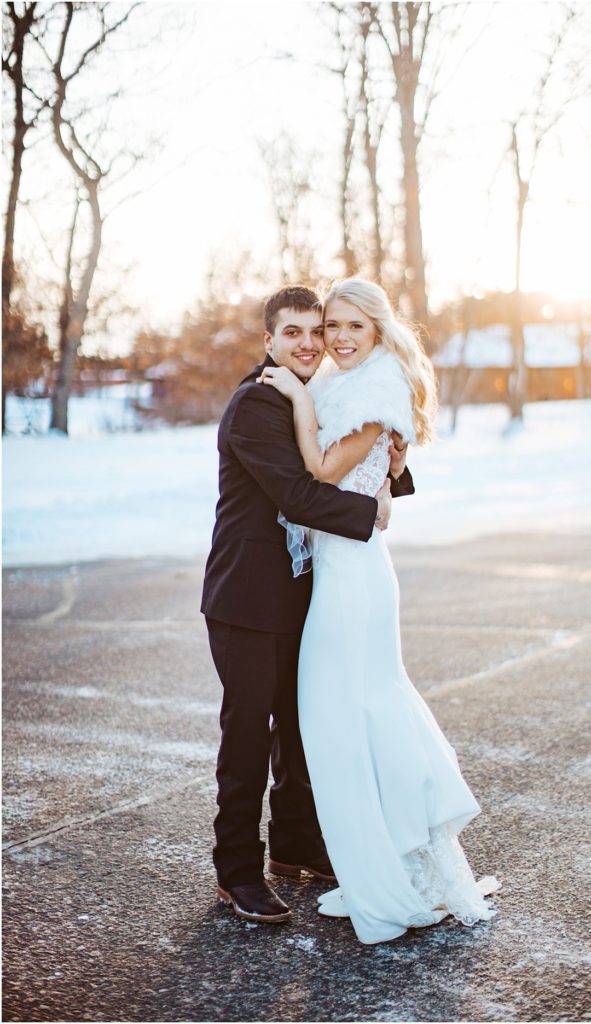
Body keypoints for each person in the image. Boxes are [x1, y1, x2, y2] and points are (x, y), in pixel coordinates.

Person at [259, 278, 500, 945]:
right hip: (346, 571)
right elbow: (369, 473)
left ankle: (392, 876)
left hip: (353, 582)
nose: (336, 337)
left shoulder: (369, 390)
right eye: (331, 325)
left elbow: (319, 473)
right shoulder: (350, 384)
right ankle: (390, 867)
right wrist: (384, 479)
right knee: (351, 724)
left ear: (378, 331)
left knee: (347, 721)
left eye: (351, 328)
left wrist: (296, 397)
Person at [200, 285, 415, 925]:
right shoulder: (255, 406)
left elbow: (342, 449)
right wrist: (370, 510)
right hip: (247, 596)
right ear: (269, 341)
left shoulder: (309, 394)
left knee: (298, 727)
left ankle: (293, 846)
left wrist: (394, 468)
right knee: (248, 733)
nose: (308, 343)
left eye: (314, 333)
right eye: (292, 333)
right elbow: (297, 494)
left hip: (299, 591)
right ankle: (237, 868)